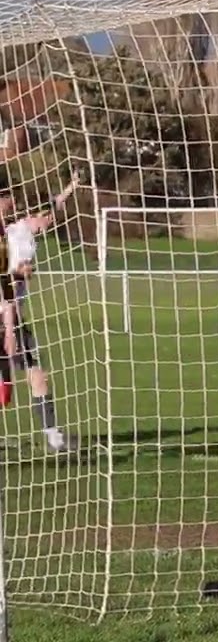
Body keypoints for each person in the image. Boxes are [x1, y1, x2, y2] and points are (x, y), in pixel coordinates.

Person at [2, 173, 81, 453]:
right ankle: (52, 435)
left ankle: (52, 434)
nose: (51, 223)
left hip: (12, 316)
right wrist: (10, 329)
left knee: (36, 373)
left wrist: (73, 186)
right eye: (48, 218)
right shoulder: (22, 240)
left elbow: (55, 204)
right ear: (36, 215)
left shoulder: (17, 230)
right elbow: (7, 285)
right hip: (5, 316)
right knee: (28, 375)